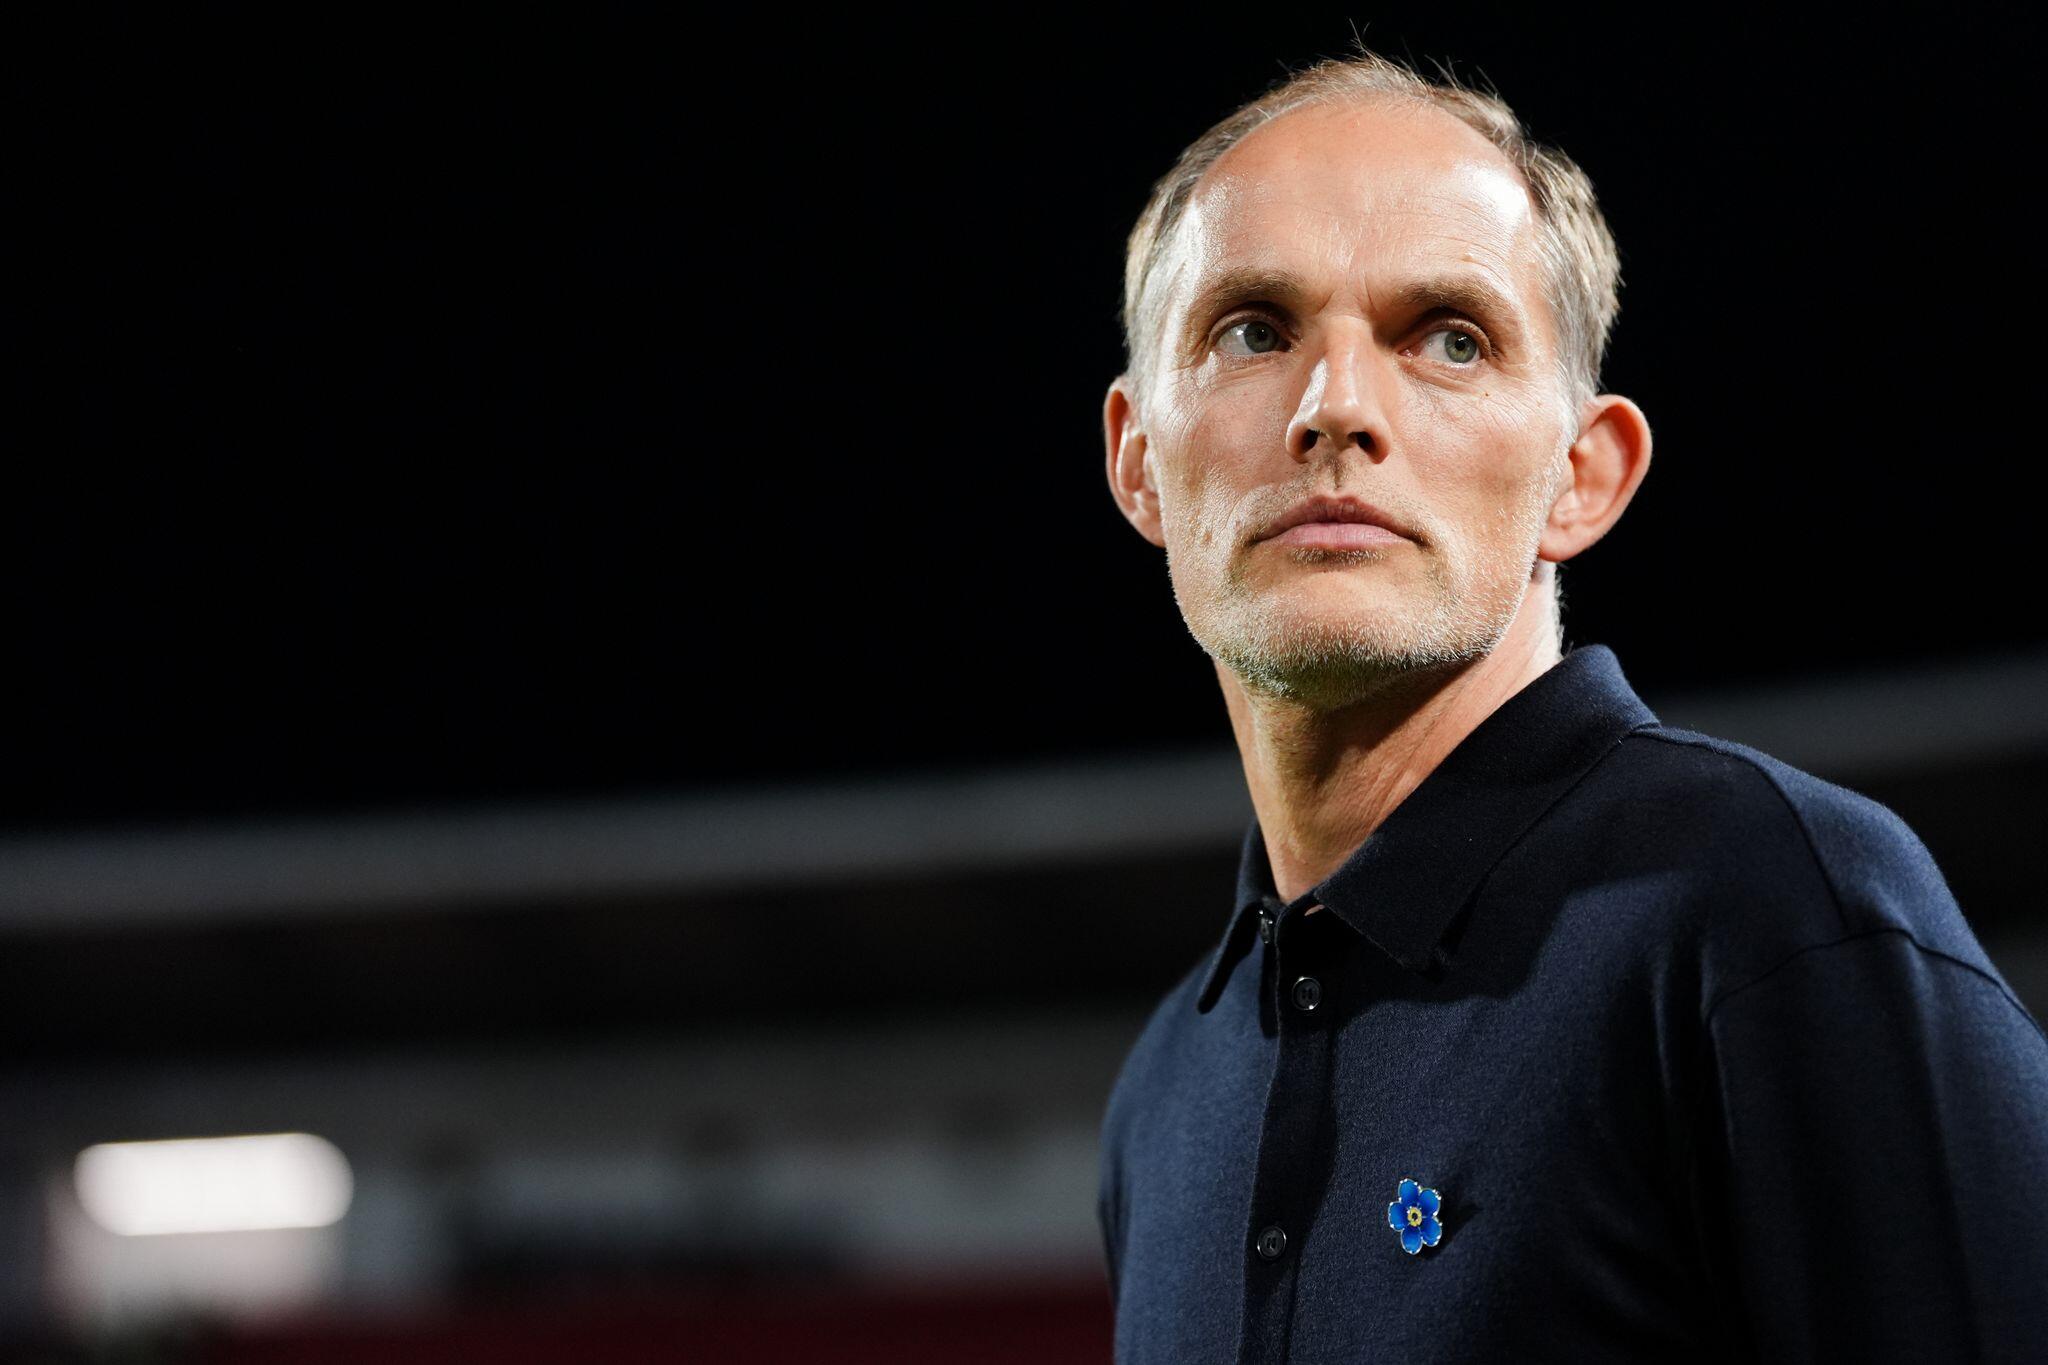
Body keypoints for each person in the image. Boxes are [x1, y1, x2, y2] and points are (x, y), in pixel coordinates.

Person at [1094, 46, 2048, 1363]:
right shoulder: (1163, 1093)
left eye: (1449, 337)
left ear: (1583, 475)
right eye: (1254, 329)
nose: (1337, 408)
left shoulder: (1774, 905)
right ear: (1140, 462)